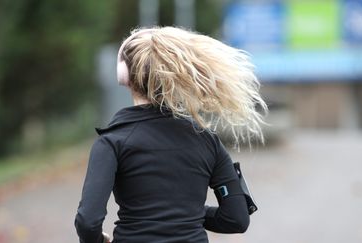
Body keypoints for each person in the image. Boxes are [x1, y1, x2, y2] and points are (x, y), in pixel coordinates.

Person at [74, 26, 267, 243]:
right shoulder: (206, 140)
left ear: (124, 74)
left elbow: (88, 222)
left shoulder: (112, 141)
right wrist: (184, 213)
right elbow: (236, 218)